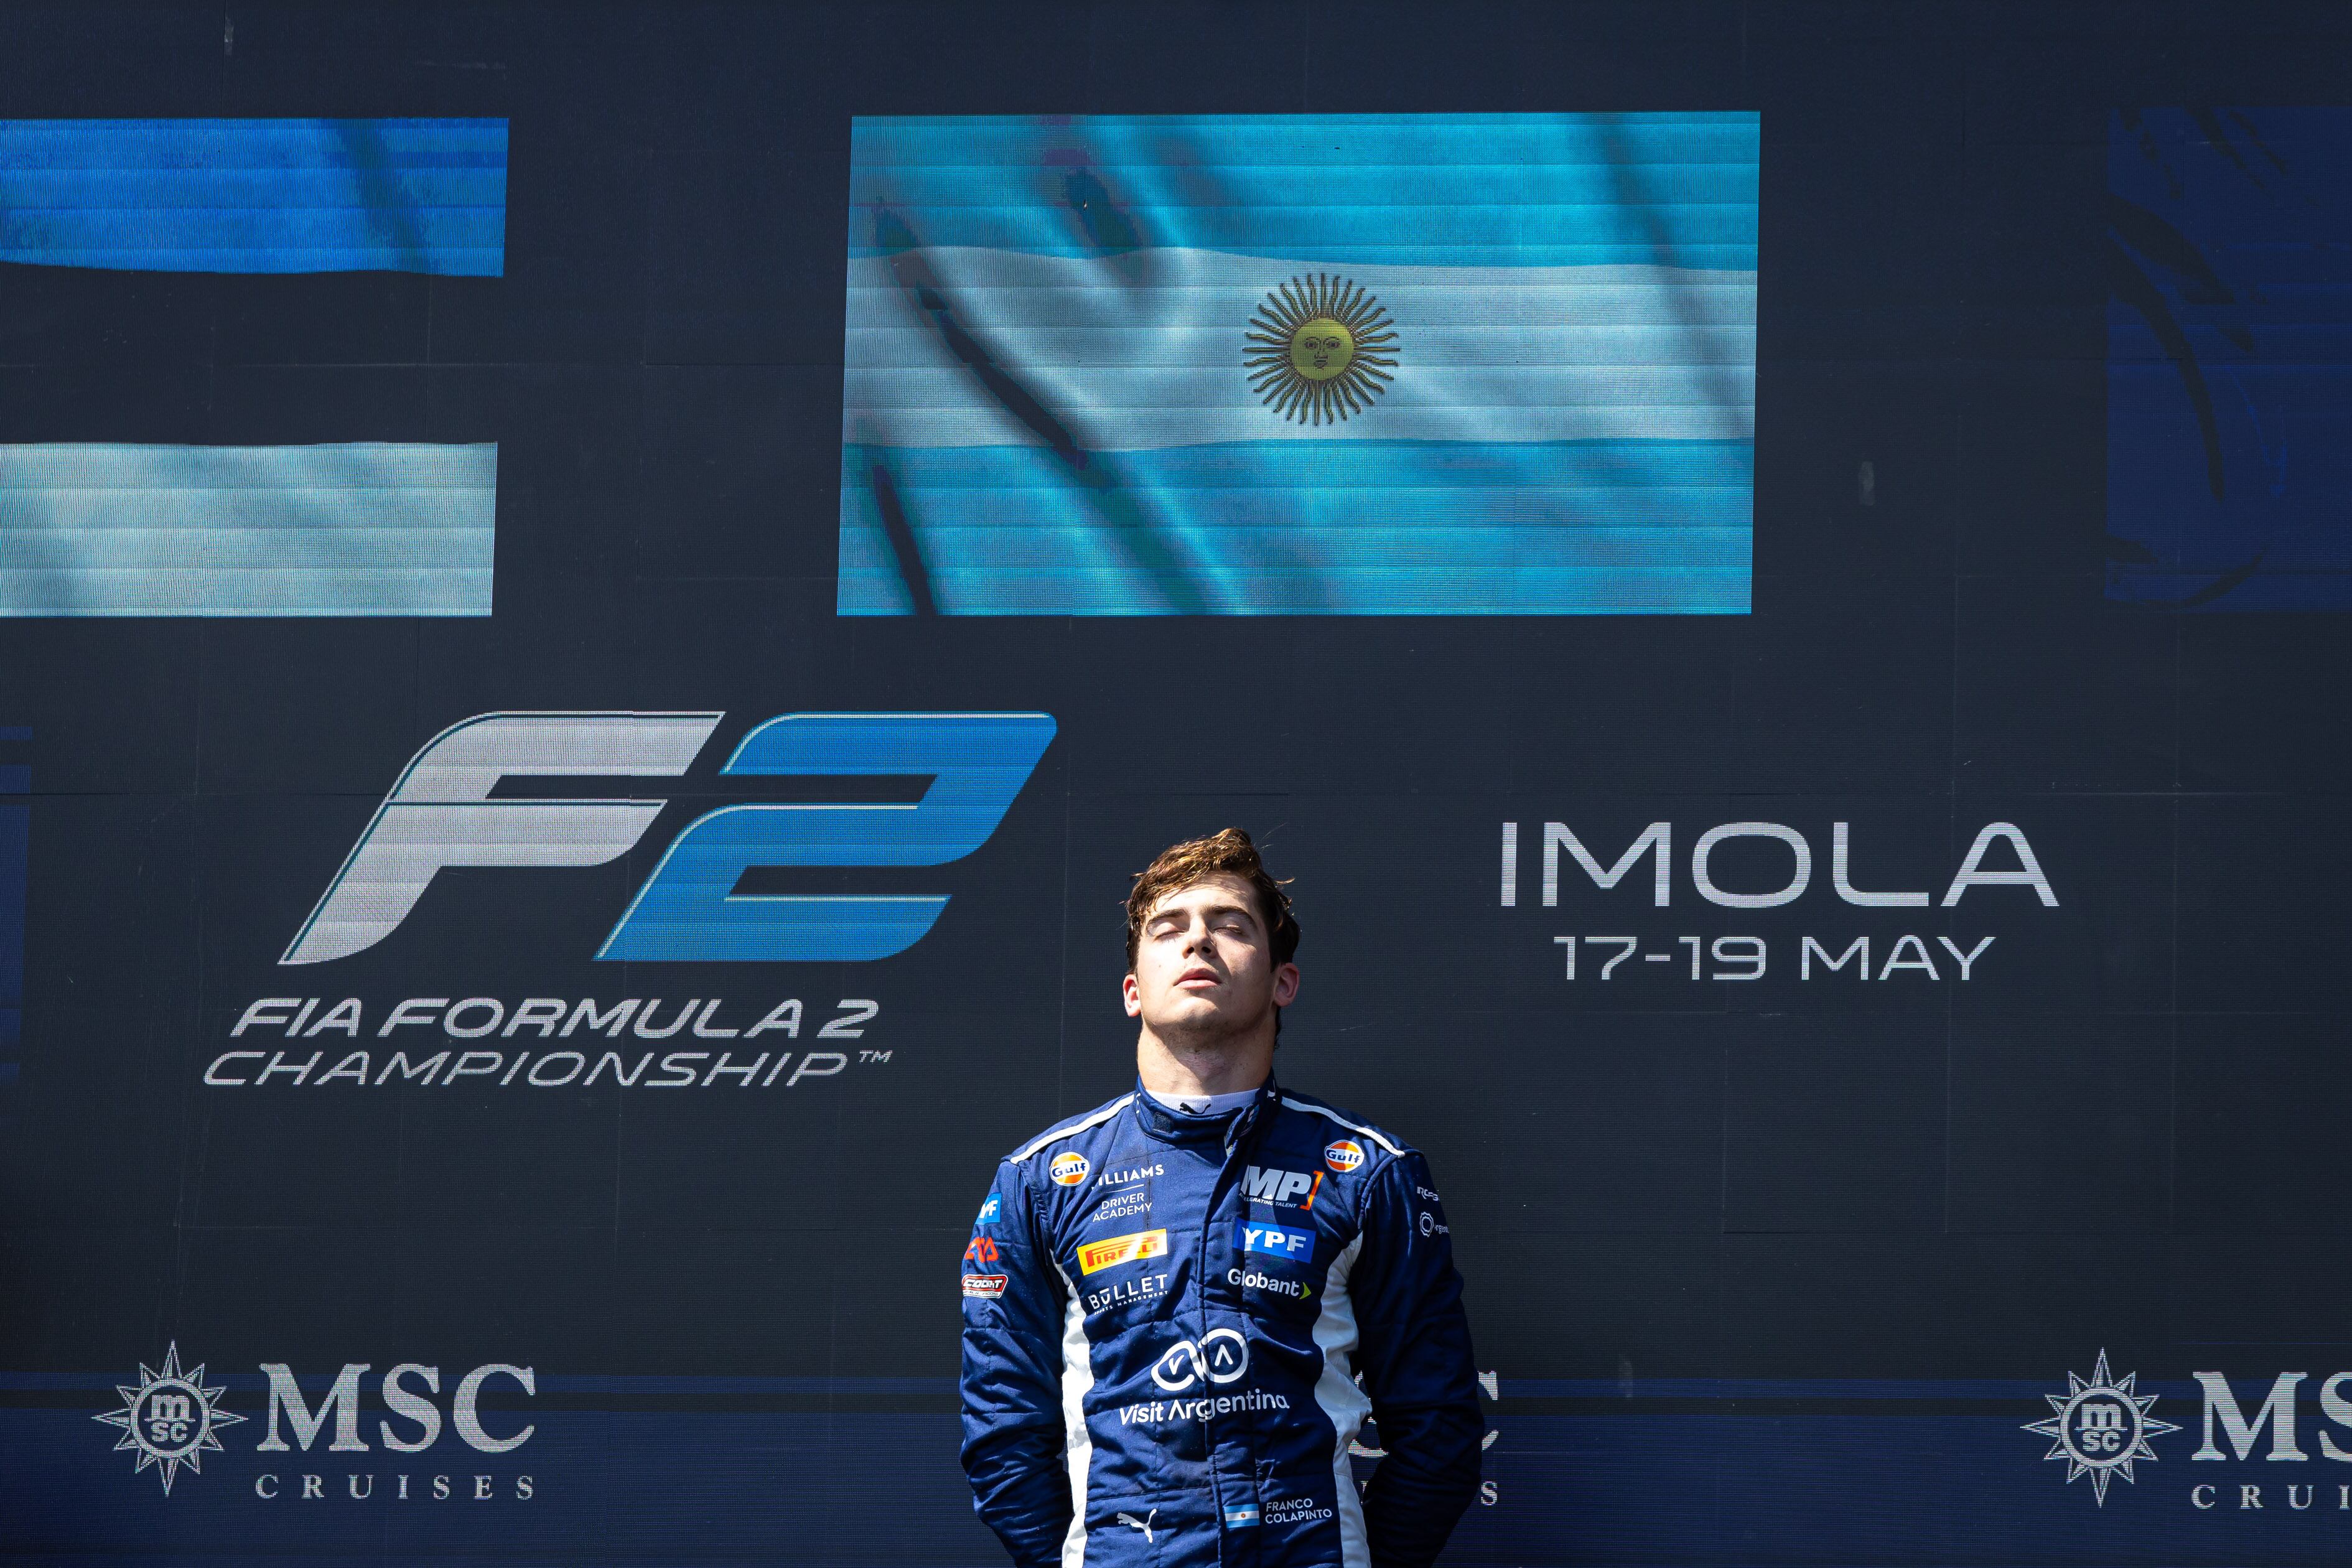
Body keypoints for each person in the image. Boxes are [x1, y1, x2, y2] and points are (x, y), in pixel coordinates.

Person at [959, 828, 1482, 1567]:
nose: (1198, 940)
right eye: (1169, 928)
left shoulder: (1370, 1173)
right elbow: (1003, 1437)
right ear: (1132, 991)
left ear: (1282, 982)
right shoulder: (1040, 1181)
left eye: (1231, 927)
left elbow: (1439, 1432)